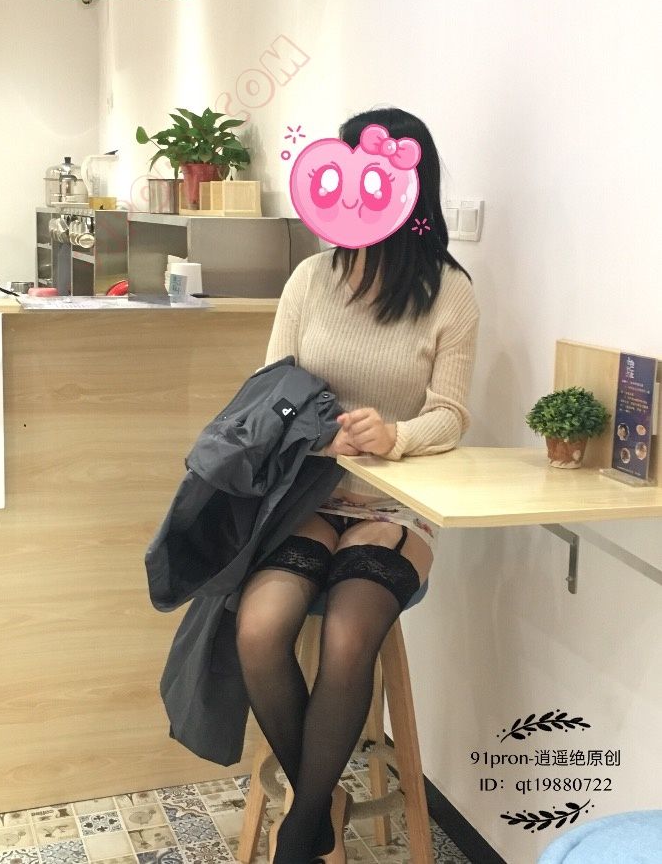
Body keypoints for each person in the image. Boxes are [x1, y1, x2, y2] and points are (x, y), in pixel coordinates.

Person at [235, 106, 481, 863]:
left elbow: (451, 416)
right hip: (309, 493)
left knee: (347, 638)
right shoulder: (311, 279)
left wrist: (396, 436)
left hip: (394, 505)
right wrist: (317, 432)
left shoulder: (450, 293)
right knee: (259, 630)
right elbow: (267, 391)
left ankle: (303, 827)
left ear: (410, 189)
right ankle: (321, 805)